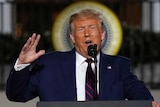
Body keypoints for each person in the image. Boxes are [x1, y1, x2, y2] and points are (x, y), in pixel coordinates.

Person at [6, 9, 159, 106]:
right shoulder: (49, 64)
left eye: (92, 28)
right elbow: (17, 95)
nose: (87, 33)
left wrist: (149, 104)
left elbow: (143, 99)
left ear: (103, 35)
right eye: (80, 29)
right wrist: (22, 65)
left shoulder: (119, 67)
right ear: (72, 36)